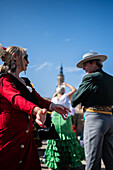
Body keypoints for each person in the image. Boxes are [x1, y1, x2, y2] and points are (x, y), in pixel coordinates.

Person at [0, 45, 70, 170]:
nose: (28, 62)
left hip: (26, 136)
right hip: (9, 135)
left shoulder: (25, 82)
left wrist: (53, 106)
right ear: (15, 57)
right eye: (26, 58)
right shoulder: (3, 80)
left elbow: (38, 99)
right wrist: (36, 110)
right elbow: (16, 99)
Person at [71, 51, 113, 170]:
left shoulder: (90, 77)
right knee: (110, 159)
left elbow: (75, 99)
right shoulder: (111, 79)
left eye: (85, 64)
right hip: (110, 119)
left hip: (95, 119)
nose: (84, 68)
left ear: (94, 63)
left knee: (92, 160)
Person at [44, 82, 85, 170]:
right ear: (63, 91)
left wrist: (56, 92)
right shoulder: (65, 96)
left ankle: (55, 162)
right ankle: (68, 162)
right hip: (64, 118)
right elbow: (74, 90)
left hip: (55, 118)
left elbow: (51, 101)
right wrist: (66, 84)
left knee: (55, 137)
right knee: (67, 138)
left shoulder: (54, 99)